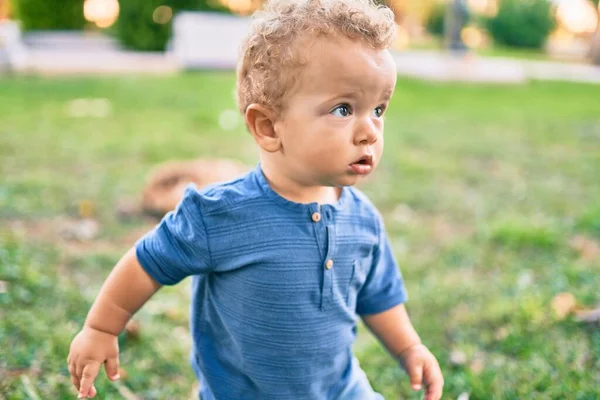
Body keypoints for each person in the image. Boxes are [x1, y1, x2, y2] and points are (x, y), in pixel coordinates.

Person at [67, 0, 444, 399]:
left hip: (340, 389)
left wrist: (409, 348)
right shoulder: (221, 214)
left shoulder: (363, 220)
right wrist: (102, 328)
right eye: (343, 108)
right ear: (267, 126)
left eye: (379, 109)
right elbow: (148, 263)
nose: (369, 131)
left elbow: (378, 296)